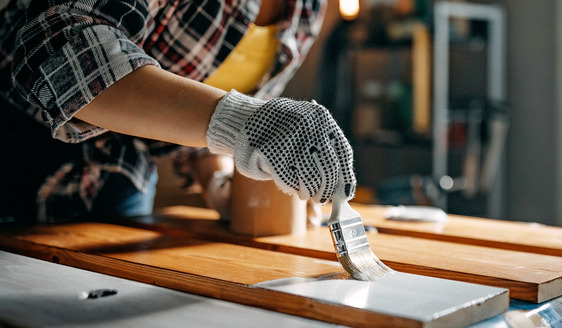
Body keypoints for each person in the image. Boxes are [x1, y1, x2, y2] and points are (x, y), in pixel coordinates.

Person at [0, 0, 355, 223]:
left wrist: (216, 180)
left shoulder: (307, 9)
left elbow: (200, 115)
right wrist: (244, 121)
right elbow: (60, 50)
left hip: (121, 180)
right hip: (19, 154)